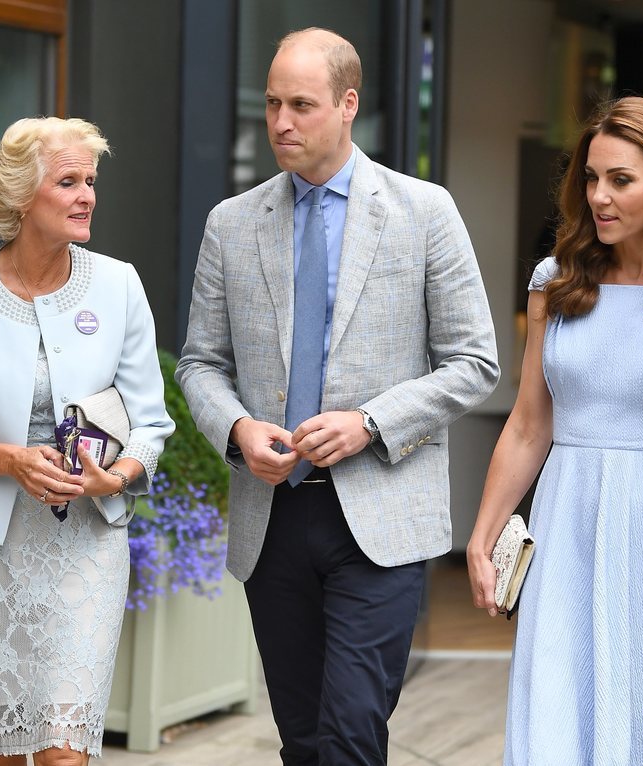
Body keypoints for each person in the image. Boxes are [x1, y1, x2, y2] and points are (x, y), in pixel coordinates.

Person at [177, 27, 499, 765]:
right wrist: (236, 431)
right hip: (274, 515)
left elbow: (475, 362)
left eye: (302, 105)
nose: (281, 123)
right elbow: (200, 363)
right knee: (303, 739)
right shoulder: (230, 225)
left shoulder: (425, 212)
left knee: (353, 732)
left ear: (348, 104)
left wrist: (370, 422)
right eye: (272, 104)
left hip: (380, 518)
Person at [467, 96, 643, 764]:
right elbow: (530, 423)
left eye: (620, 179)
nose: (598, 195)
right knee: (559, 712)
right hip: (568, 520)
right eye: (591, 178)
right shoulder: (557, 280)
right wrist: (483, 536)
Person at [0, 116, 174, 764]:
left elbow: (151, 421)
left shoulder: (119, 284)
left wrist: (124, 473)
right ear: (23, 196)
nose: (88, 196)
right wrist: (2, 459)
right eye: (69, 181)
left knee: (62, 750)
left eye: (92, 181)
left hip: (84, 543)